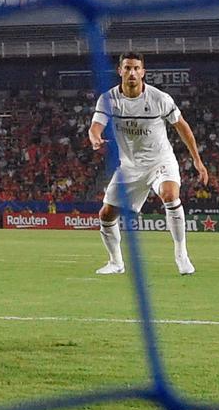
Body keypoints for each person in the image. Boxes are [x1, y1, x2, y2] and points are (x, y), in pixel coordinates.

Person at [88, 52, 208, 275]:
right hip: (129, 166)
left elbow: (183, 127)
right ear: (120, 71)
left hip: (160, 161)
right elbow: (95, 126)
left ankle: (181, 255)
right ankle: (116, 262)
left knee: (170, 196)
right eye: (127, 68)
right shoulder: (108, 99)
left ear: (143, 72)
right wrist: (95, 138)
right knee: (106, 215)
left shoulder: (159, 98)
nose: (132, 72)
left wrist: (197, 161)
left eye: (136, 68)